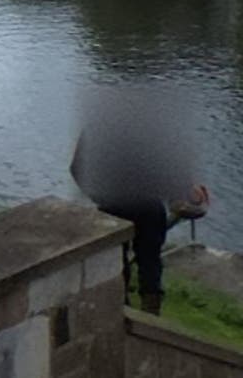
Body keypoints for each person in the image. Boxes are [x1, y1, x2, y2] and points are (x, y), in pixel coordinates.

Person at [70, 122, 209, 316]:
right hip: (148, 206)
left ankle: (121, 310)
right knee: (150, 260)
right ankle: (151, 314)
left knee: (116, 260)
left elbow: (77, 169)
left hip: (112, 205)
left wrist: (99, 196)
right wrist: (187, 190)